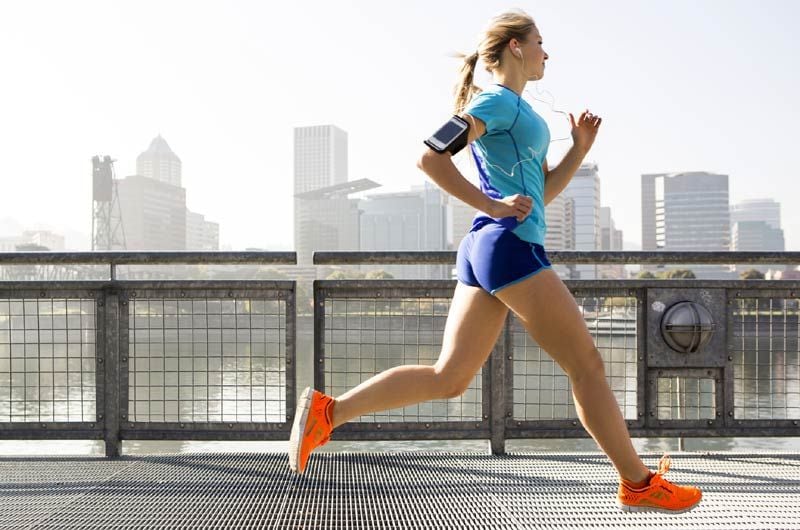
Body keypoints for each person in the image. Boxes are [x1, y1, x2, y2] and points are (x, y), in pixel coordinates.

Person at [289, 9, 702, 514]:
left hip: (490, 247)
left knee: (449, 378)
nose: (547, 53)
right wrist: (493, 205)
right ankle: (638, 483)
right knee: (588, 366)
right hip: (508, 247)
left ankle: (329, 413)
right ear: (514, 48)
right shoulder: (495, 102)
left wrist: (579, 149)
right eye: (540, 42)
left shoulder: (518, 113)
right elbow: (429, 157)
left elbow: (541, 193)